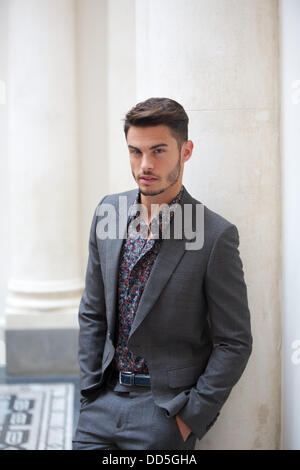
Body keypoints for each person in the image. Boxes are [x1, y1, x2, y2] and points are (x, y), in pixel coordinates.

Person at [72, 97, 252, 450]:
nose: (144, 165)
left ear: (186, 151)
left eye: (158, 151)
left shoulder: (214, 235)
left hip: (164, 413)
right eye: (135, 152)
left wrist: (190, 420)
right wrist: (88, 392)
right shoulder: (109, 211)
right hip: (100, 404)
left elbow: (235, 342)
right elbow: (92, 312)